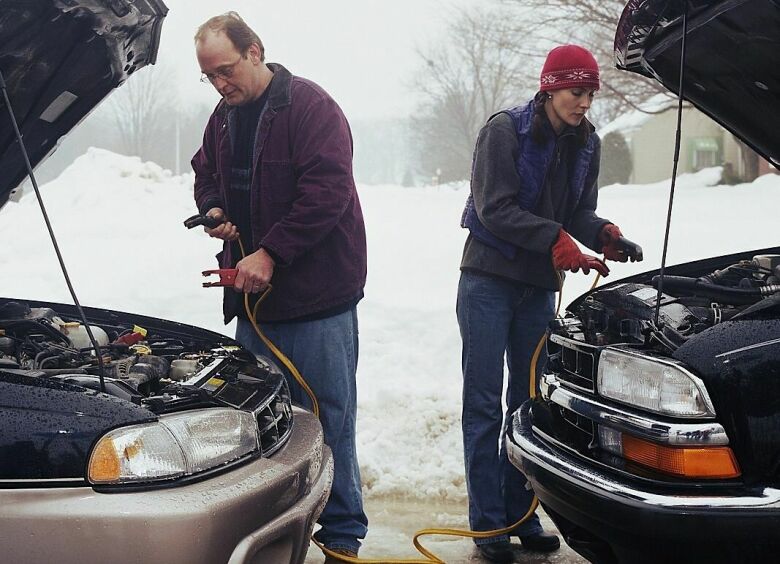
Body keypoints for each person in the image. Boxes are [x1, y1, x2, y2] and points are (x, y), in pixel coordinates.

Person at [190, 12, 368, 561]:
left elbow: (327, 194)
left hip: (318, 300)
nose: (220, 85)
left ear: (255, 52)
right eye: (209, 77)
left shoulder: (312, 108)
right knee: (261, 426)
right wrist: (213, 208)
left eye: (225, 71)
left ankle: (340, 535)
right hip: (255, 303)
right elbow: (205, 173)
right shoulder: (223, 118)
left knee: (327, 417)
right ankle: (271, 529)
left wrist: (272, 252)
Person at [457, 45, 636, 563]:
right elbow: (494, 210)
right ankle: (488, 524)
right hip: (488, 281)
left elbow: (578, 210)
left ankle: (521, 513)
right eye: (576, 92)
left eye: (590, 93)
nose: (584, 103)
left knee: (528, 404)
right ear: (550, 87)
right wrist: (556, 239)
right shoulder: (504, 132)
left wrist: (602, 232)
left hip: (538, 286)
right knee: (485, 403)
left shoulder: (587, 143)